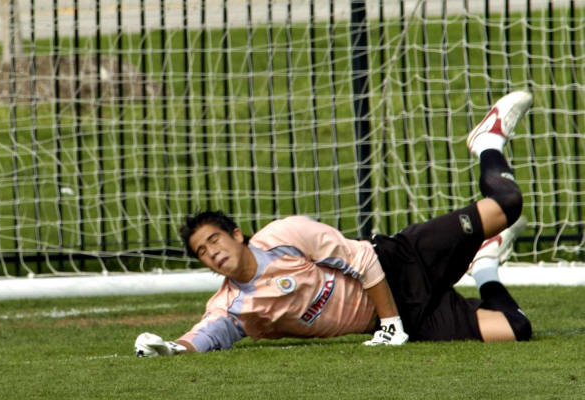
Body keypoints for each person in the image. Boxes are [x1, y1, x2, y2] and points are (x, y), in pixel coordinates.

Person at [134, 90, 534, 356]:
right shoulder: (235, 305)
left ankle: (487, 141)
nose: (212, 252)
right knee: (516, 329)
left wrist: (391, 325)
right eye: (202, 252)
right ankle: (485, 266)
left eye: (214, 239)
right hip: (401, 319)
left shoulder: (284, 235)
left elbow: (362, 259)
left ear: (236, 234)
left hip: (399, 262)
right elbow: (208, 334)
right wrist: (171, 348)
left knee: (507, 203)